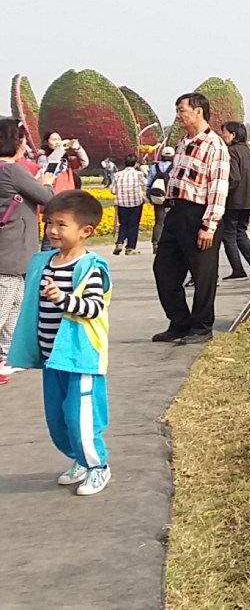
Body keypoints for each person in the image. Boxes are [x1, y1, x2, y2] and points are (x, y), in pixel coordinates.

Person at [7, 190, 113, 494]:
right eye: (49, 223)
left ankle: (98, 465)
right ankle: (79, 458)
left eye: (61, 224)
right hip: (52, 356)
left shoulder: (90, 267)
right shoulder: (45, 262)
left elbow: (93, 308)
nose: (52, 230)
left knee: (79, 416)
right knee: (57, 417)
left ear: (85, 231)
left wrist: (64, 299)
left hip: (80, 357)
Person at [151, 93, 230, 345]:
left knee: (202, 273)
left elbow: (218, 187)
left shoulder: (214, 145)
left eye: (182, 109)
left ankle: (201, 326)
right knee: (164, 269)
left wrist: (209, 225)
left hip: (199, 214)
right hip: (175, 212)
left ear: (199, 112)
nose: (178, 114)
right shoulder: (184, 142)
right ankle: (179, 322)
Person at [0, 118, 57, 384]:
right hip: (11, 252)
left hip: (12, 251)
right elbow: (48, 198)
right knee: (6, 305)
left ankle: (7, 357)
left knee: (14, 305)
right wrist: (46, 181)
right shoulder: (12, 171)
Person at [218, 121, 250, 280]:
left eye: (224, 132)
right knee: (240, 231)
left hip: (235, 200)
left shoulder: (231, 152)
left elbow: (234, 178)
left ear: (233, 134)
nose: (222, 135)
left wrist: (222, 194)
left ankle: (238, 269)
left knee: (229, 234)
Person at [108, 155, 147, 256]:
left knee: (123, 224)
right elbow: (145, 186)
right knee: (133, 225)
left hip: (122, 202)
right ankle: (130, 247)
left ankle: (119, 242)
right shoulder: (139, 174)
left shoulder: (118, 175)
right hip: (136, 202)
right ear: (135, 163)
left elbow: (112, 190)